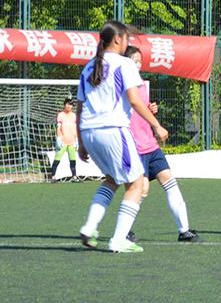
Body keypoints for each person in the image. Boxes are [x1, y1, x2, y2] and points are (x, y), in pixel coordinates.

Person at [76, 20, 169, 253]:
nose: (128, 42)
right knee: (137, 183)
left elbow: (80, 106)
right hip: (113, 129)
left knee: (112, 179)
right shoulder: (124, 64)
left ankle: (89, 227)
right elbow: (136, 100)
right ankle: (118, 239)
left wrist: (81, 143)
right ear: (117, 39)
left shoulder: (88, 67)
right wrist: (156, 125)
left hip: (90, 132)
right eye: (126, 38)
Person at [123, 45, 200, 243]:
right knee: (141, 191)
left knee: (169, 180)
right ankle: (123, 231)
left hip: (150, 145)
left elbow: (141, 110)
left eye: (140, 61)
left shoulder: (140, 84)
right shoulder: (122, 84)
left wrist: (150, 109)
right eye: (135, 60)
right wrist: (156, 125)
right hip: (134, 146)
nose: (139, 64)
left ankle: (184, 231)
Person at [50, 98, 78, 182]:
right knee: (57, 159)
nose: (69, 106)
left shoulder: (74, 116)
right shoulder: (61, 115)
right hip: (63, 142)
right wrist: (59, 138)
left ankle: (74, 176)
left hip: (72, 142)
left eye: (71, 104)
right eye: (68, 104)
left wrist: (76, 139)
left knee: (73, 159)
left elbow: (75, 128)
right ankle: (53, 177)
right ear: (64, 105)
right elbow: (58, 128)